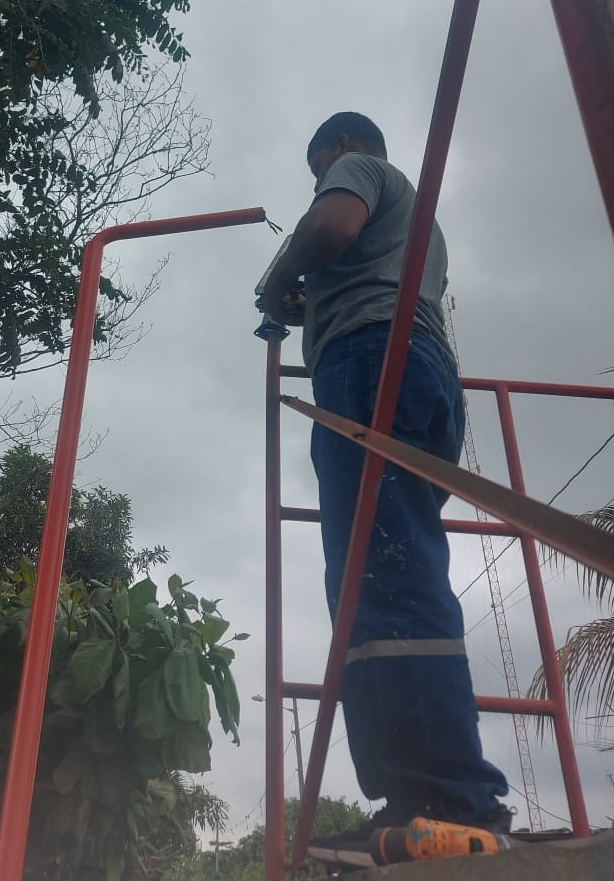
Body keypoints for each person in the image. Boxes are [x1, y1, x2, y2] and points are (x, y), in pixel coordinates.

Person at [262, 112, 510, 844]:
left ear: (341, 147)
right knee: (394, 567)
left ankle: (446, 799)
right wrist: (313, 292)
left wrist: (280, 277)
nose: (321, 182)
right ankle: (424, 792)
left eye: (319, 169)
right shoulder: (422, 226)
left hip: (370, 361)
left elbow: (331, 226)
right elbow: (360, 258)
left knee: (380, 577)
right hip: (421, 376)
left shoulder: (362, 168)